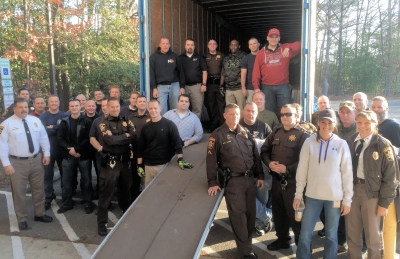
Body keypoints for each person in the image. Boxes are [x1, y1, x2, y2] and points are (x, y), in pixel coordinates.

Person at [293, 108, 353, 259]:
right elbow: (302, 170)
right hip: (312, 196)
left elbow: (347, 174)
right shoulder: (309, 142)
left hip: (334, 198)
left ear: (335, 124)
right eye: (323, 122)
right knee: (305, 234)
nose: (326, 126)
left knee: (331, 235)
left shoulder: (341, 144)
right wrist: (298, 195)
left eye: (330, 123)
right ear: (318, 123)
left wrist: (347, 200)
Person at [207, 103, 264, 259]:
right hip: (233, 182)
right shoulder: (217, 135)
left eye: (237, 114)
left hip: (249, 180)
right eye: (231, 114)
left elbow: (255, 156)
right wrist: (212, 182)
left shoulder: (245, 133)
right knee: (238, 217)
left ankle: (247, 246)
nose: (235, 117)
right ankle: (246, 252)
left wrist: (260, 175)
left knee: (251, 215)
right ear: (225, 115)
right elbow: (211, 161)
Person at [346, 110, 398, 259]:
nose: (362, 126)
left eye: (367, 123)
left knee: (373, 237)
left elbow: (391, 177)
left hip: (372, 194)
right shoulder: (350, 141)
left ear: (375, 124)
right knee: (353, 234)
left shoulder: (382, 145)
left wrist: (384, 203)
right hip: (351, 193)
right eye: (360, 122)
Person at [260, 104, 310, 250]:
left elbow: (306, 161)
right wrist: (269, 163)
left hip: (294, 184)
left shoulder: (303, 136)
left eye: (288, 114)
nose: (285, 117)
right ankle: (283, 240)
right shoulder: (276, 132)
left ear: (296, 115)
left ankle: (303, 246)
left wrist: (287, 169)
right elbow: (264, 151)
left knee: (297, 217)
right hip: (277, 182)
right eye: (282, 114)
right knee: (279, 214)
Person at [0, 98, 53, 230]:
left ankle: (40, 214)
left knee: (38, 189)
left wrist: (46, 154)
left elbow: (43, 138)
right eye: (20, 107)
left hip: (36, 160)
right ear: (14, 109)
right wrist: (6, 164)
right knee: (19, 192)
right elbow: (2, 145)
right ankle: (22, 218)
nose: (24, 109)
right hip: (17, 163)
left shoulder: (35, 120)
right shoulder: (6, 124)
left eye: (25, 107)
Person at [97, 97, 135, 236]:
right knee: (106, 194)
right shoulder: (103, 124)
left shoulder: (126, 120)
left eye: (117, 107)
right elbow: (109, 141)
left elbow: (133, 134)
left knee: (125, 192)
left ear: (120, 107)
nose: (115, 109)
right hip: (111, 164)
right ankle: (102, 223)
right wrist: (124, 137)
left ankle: (126, 216)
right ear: (107, 107)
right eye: (112, 107)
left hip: (125, 162)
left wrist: (118, 137)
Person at [137, 100, 192, 187]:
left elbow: (177, 142)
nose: (153, 110)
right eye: (150, 108)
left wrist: (180, 159)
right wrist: (139, 165)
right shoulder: (145, 127)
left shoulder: (169, 125)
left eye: (155, 108)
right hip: (148, 166)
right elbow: (141, 147)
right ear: (148, 109)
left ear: (160, 108)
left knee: (164, 191)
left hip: (165, 165)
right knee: (148, 193)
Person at [370, 96, 400, 254]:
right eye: (373, 107)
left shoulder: (394, 126)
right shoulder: (369, 126)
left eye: (379, 107)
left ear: (386, 109)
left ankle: (390, 251)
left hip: (388, 181)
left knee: (389, 218)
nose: (376, 110)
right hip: (372, 182)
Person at [239, 102, 273, 237]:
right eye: (248, 110)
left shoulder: (264, 126)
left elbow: (271, 147)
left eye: (253, 111)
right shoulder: (238, 125)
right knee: (247, 198)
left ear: (257, 112)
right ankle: (267, 216)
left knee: (261, 198)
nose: (250, 113)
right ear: (243, 112)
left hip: (261, 171)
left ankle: (259, 224)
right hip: (243, 171)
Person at [252, 28, 301, 117]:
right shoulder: (261, 53)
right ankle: (272, 129)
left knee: (286, 110)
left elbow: (300, 44)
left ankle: (285, 129)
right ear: (267, 38)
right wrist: (256, 87)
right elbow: (256, 71)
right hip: (267, 87)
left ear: (279, 38)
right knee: (270, 111)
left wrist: (289, 47)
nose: (273, 39)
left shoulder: (284, 48)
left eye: (276, 37)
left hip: (283, 86)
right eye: (271, 37)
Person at [57, 99, 93, 214]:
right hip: (68, 156)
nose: (74, 108)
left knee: (86, 181)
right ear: (69, 107)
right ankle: (66, 203)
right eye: (72, 106)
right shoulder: (64, 122)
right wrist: (70, 150)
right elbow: (60, 139)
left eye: (76, 105)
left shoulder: (86, 121)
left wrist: (77, 149)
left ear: (80, 106)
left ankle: (87, 202)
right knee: (66, 182)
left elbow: (89, 138)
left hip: (83, 155)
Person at [39, 95, 68, 210]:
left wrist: (53, 127)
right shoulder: (43, 116)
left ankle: (65, 198)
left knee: (64, 175)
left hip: (63, 150)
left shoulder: (64, 115)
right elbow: (42, 131)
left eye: (56, 101)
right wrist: (58, 128)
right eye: (52, 102)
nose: (54, 103)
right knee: (47, 175)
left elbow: (65, 130)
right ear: (48, 103)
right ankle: (48, 198)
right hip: (47, 151)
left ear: (59, 103)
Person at [150, 37, 185, 115]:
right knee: (161, 110)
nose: (165, 45)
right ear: (159, 45)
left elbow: (181, 72)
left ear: (169, 45)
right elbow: (151, 74)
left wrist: (182, 86)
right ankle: (163, 126)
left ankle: (174, 126)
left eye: (167, 43)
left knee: (176, 109)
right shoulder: (153, 57)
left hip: (175, 85)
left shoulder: (175, 56)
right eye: (163, 43)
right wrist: (154, 88)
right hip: (161, 86)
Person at [129, 95, 150, 202]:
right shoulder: (130, 118)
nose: (142, 103)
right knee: (135, 176)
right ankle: (134, 199)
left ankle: (148, 198)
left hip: (148, 151)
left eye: (144, 101)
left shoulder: (151, 116)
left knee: (148, 176)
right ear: (136, 104)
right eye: (140, 101)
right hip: (135, 151)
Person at [179, 38, 208, 118]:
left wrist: (204, 84)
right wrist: (181, 87)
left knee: (197, 109)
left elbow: (204, 71)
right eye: (188, 45)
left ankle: (195, 128)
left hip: (197, 87)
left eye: (192, 45)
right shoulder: (180, 58)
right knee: (183, 108)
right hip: (184, 87)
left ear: (194, 46)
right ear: (185, 46)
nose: (190, 46)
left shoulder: (199, 58)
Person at [89, 98, 109, 199]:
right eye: (103, 105)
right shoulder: (97, 121)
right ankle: (104, 202)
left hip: (116, 155)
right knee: (102, 178)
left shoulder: (121, 119)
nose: (105, 107)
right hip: (100, 154)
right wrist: (100, 148)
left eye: (107, 105)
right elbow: (92, 138)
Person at [205, 39, 225, 133]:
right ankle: (213, 125)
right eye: (210, 44)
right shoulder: (205, 57)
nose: (212, 45)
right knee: (211, 105)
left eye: (214, 44)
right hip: (209, 84)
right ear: (208, 46)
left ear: (216, 45)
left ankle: (222, 125)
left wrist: (222, 85)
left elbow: (224, 71)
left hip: (219, 84)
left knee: (221, 105)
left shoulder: (222, 56)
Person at [221, 39, 246, 111]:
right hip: (228, 89)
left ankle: (241, 123)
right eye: (231, 45)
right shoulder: (226, 58)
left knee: (241, 110)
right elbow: (223, 72)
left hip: (239, 89)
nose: (233, 47)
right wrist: (221, 85)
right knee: (230, 110)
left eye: (235, 45)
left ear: (239, 46)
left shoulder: (244, 57)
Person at [241, 38, 261, 103]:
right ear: (249, 46)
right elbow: (243, 74)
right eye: (251, 44)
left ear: (258, 44)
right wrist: (243, 88)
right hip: (250, 88)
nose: (253, 45)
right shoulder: (246, 58)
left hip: (265, 87)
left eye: (254, 43)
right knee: (251, 108)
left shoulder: (264, 56)